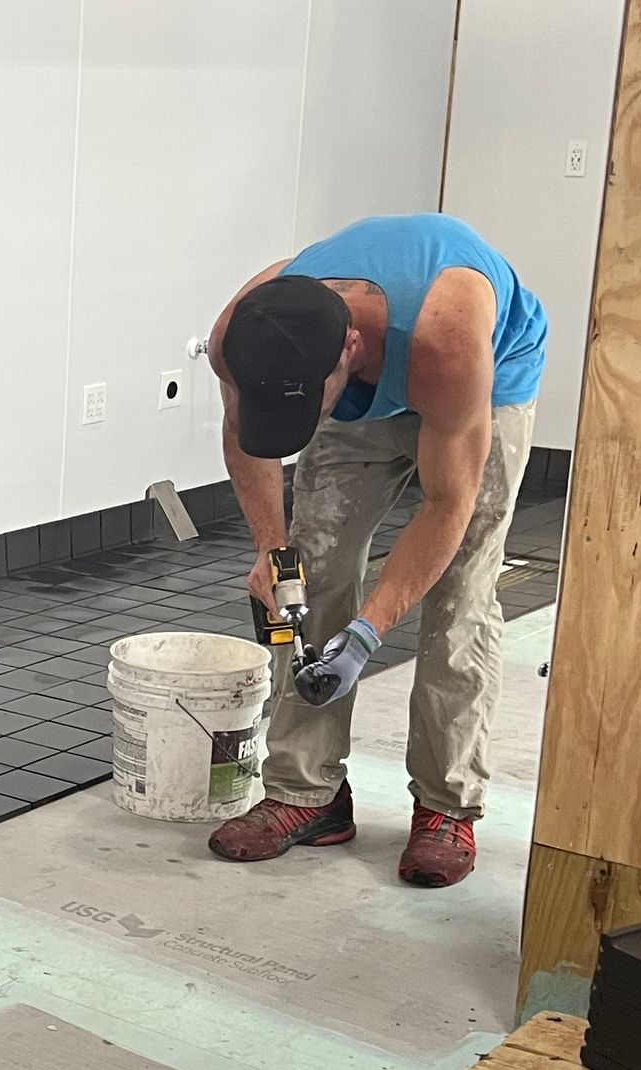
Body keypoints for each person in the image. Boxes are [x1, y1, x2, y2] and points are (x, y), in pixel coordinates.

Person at [204, 213, 548, 888]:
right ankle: (307, 794)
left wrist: (369, 631)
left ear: (349, 349)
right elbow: (247, 440)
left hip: (480, 384)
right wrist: (272, 552)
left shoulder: (447, 337)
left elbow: (447, 505)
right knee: (310, 571)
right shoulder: (241, 334)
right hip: (366, 383)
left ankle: (446, 806)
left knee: (460, 593)